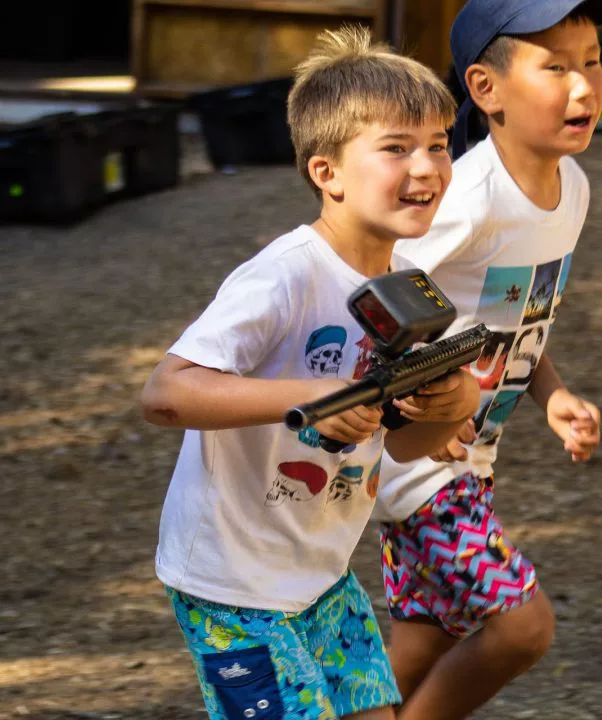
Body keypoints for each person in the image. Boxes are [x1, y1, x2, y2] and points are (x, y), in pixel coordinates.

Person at [140, 26, 480, 720]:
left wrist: (448, 399)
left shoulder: (408, 285)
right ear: (326, 173)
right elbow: (166, 393)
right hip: (233, 582)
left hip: (321, 574)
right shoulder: (286, 276)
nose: (429, 167)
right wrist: (313, 397)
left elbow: (407, 444)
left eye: (440, 145)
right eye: (396, 148)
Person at [374, 1, 602, 718]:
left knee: (422, 642)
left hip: (473, 462)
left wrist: (551, 394)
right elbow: (378, 297)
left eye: (592, 61)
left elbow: (517, 321)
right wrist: (425, 395)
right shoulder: (469, 198)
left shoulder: (570, 190)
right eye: (554, 67)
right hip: (418, 462)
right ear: (486, 90)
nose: (583, 86)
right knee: (522, 626)